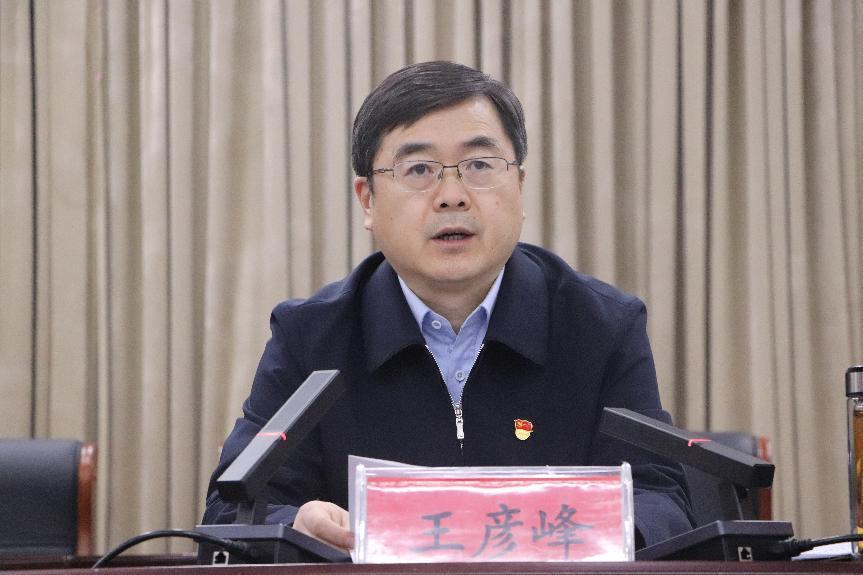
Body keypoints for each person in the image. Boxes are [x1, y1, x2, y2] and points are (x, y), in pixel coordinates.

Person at [203, 60, 694, 553]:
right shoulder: (310, 337)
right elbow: (231, 511)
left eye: (479, 165)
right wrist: (296, 526)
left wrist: (600, 534)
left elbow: (662, 501)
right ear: (367, 200)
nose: (452, 197)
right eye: (419, 169)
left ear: (519, 186)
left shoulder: (600, 327)